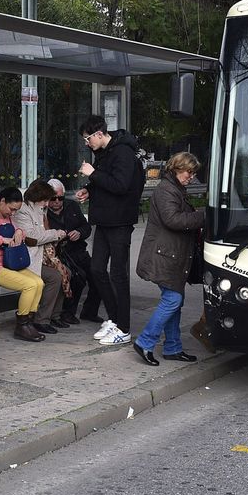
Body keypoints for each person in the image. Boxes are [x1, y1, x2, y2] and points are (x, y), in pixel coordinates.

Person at [76, 114, 144, 346]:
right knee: (97, 270)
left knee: (117, 274)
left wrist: (92, 173)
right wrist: (89, 189)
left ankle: (123, 328)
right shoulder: (104, 153)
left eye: (88, 139)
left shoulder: (123, 152)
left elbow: (120, 185)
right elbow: (105, 182)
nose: (87, 144)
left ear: (99, 134)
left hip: (119, 222)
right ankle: (115, 318)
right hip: (104, 220)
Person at [133, 152, 206, 366]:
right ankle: (145, 342)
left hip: (170, 255)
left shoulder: (174, 188)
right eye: (188, 172)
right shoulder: (166, 190)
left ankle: (173, 348)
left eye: (193, 173)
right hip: (164, 256)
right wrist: (204, 215)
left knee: (176, 301)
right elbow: (173, 220)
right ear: (176, 168)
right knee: (172, 300)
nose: (191, 176)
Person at [15, 180, 73, 334]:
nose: (48, 203)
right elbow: (32, 237)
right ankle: (42, 319)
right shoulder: (24, 210)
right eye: (46, 199)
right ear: (37, 196)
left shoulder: (39, 209)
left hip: (42, 255)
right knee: (54, 277)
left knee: (65, 272)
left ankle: (54, 315)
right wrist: (55, 234)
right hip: (28, 258)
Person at [0, 186, 45, 342]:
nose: (13, 213)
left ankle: (29, 323)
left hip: (10, 262)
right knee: (29, 285)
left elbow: (17, 228)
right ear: (2, 201)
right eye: (11, 209)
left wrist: (20, 231)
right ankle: (21, 326)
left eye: (16, 211)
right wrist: (4, 240)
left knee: (39, 283)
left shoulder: (8, 216)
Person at [45, 178, 92, 326]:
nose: (57, 201)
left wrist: (79, 232)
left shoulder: (72, 206)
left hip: (78, 249)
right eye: (53, 198)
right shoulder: (44, 213)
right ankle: (66, 312)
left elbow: (86, 227)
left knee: (98, 275)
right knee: (76, 277)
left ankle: (90, 310)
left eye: (60, 198)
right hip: (60, 254)